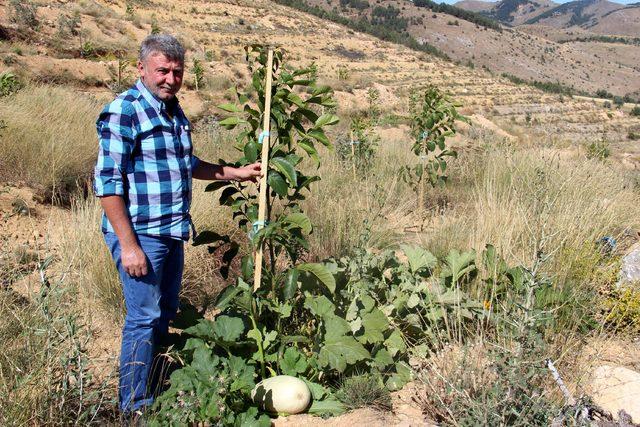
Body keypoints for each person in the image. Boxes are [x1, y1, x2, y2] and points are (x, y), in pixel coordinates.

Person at [93, 34, 261, 415]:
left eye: (177, 71)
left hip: (172, 231)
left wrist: (237, 172)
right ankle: (134, 406)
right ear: (142, 69)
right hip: (141, 234)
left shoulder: (172, 110)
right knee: (143, 317)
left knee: (165, 311)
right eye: (162, 70)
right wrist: (129, 245)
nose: (170, 78)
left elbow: (188, 163)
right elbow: (107, 183)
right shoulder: (126, 110)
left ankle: (156, 385)